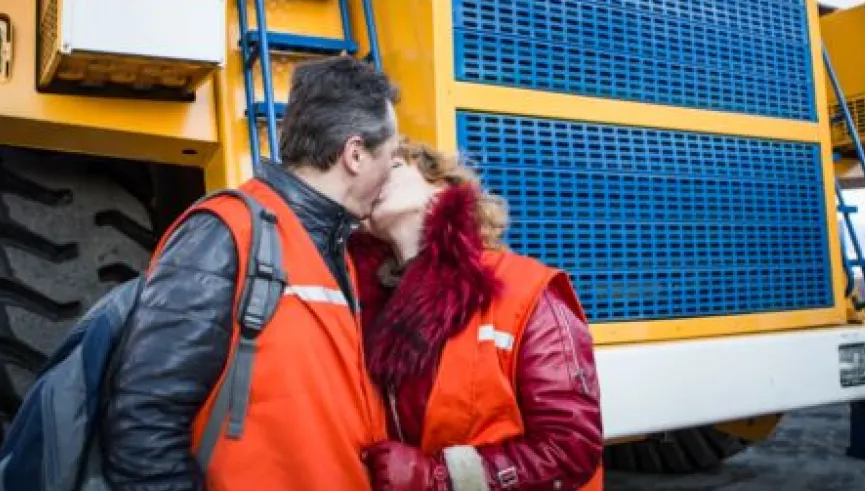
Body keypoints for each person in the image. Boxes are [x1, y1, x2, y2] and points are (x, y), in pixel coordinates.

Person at [103, 56, 401, 491]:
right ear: (354, 155)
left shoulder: (335, 250)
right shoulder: (225, 233)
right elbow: (145, 419)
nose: (391, 171)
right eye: (391, 157)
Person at [351, 142, 604, 491]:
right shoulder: (365, 311)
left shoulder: (524, 290)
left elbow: (570, 447)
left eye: (393, 166)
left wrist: (438, 478)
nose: (376, 177)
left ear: (440, 187)